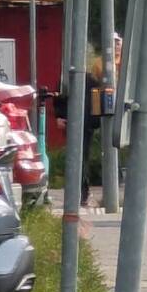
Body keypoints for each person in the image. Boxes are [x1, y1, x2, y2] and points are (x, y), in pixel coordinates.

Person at [54, 33, 121, 207]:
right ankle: (81, 193)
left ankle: (82, 193)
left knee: (80, 157)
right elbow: (60, 97)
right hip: (77, 122)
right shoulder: (68, 78)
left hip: (85, 123)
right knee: (78, 157)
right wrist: (60, 116)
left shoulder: (88, 79)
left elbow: (97, 97)